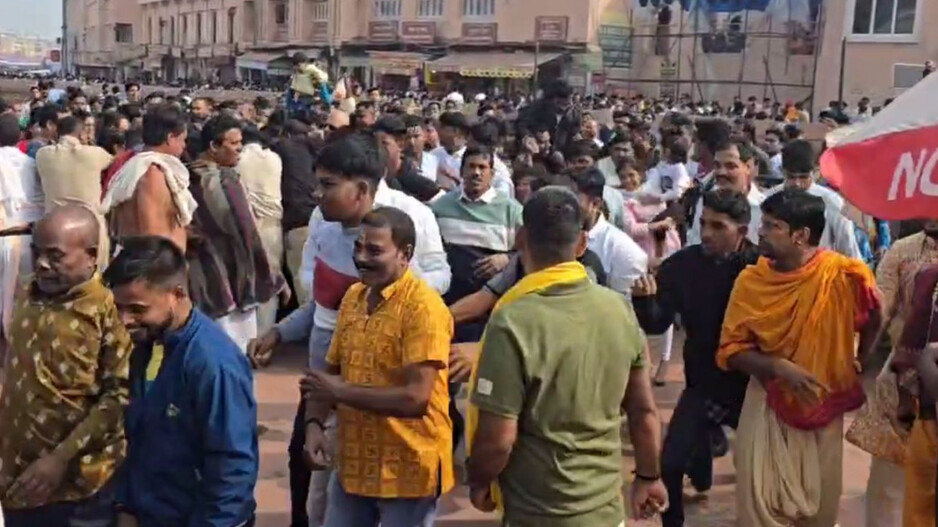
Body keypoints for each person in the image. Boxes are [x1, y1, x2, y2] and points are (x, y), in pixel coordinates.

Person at [249, 132, 450, 527]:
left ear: (360, 191)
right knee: (314, 491)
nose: (316, 194)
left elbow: (414, 396)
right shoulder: (337, 257)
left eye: (327, 185)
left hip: (396, 433)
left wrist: (396, 297)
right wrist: (280, 333)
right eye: (359, 250)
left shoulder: (411, 226)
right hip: (333, 395)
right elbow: (323, 303)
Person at [466, 186, 667, 525]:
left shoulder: (512, 319)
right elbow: (643, 410)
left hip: (538, 512)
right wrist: (648, 477)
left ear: (520, 239)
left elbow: (499, 438)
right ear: (582, 244)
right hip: (604, 508)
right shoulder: (618, 309)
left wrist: (479, 481)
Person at [717, 188, 883, 526]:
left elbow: (875, 313)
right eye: (762, 223)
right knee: (758, 509)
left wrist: (860, 359)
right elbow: (731, 350)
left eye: (771, 225)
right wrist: (777, 367)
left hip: (823, 401)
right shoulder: (751, 281)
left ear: (801, 236)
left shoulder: (843, 275)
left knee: (820, 509)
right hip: (767, 402)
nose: (759, 232)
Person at [300, 206, 454, 527]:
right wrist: (314, 424)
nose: (362, 257)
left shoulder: (423, 309)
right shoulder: (353, 297)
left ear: (405, 254)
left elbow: (416, 398)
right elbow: (329, 372)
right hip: (354, 462)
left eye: (374, 250)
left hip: (409, 467)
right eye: (358, 246)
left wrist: (340, 391)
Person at [105, 236, 259, 527]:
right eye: (119, 308)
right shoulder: (149, 344)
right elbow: (139, 437)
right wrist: (127, 505)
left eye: (137, 309)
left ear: (176, 294)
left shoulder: (214, 364)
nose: (124, 320)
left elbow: (233, 468)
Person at [632, 188, 759, 527]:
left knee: (760, 475)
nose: (705, 233)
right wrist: (644, 300)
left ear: (742, 232)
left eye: (718, 226)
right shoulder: (683, 266)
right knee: (670, 465)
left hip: (753, 388)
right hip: (703, 382)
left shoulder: (761, 269)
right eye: (703, 223)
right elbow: (658, 323)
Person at [0, 205, 132, 527]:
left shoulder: (109, 312)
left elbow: (119, 397)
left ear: (89, 255)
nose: (43, 264)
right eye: (37, 252)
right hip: (19, 480)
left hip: (79, 487)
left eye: (55, 256)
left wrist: (59, 459)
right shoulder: (29, 294)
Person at [848, 220, 938, 527]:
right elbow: (880, 310)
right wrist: (858, 355)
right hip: (902, 385)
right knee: (890, 485)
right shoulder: (903, 251)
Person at [186, 114, 285, 352]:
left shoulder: (185, 176)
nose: (239, 148)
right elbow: (247, 231)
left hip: (201, 281)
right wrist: (272, 274)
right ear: (213, 146)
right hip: (235, 279)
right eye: (233, 143)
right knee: (236, 352)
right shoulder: (225, 180)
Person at [430, 144, 522, 341]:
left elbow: (529, 253)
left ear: (492, 173)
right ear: (462, 171)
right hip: (449, 305)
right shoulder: (440, 208)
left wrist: (506, 258)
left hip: (492, 310)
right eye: (471, 167)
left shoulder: (511, 211)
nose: (476, 173)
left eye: (482, 167)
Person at [102, 102, 196, 252]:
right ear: (170, 138)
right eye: (182, 139)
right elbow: (151, 237)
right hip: (157, 268)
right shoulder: (153, 174)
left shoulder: (138, 166)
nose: (184, 146)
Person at [35, 115, 114, 268]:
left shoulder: (42, 155)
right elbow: (114, 161)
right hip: (90, 228)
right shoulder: (95, 154)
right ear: (82, 134)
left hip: (55, 228)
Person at [763, 139, 862, 259]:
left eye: (803, 177)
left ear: (815, 172)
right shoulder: (769, 200)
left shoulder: (831, 202)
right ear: (783, 172)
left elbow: (849, 250)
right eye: (791, 177)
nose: (797, 184)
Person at [236, 124, 285, 336]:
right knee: (270, 281)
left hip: (250, 225)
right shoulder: (274, 159)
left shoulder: (239, 161)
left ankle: (248, 337)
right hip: (274, 226)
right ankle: (264, 337)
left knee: (248, 281)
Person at [0, 114, 43, 347]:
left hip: (4, 238)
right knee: (22, 307)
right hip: (27, 241)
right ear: (19, 136)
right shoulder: (31, 164)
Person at [572, 167, 648, 297]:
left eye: (573, 202)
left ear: (595, 204)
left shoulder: (624, 252)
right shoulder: (548, 240)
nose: (564, 208)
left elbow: (623, 309)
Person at [685, 138, 765, 246]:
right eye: (717, 166)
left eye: (731, 166)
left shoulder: (763, 208)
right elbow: (695, 243)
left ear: (747, 167)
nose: (721, 172)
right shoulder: (705, 201)